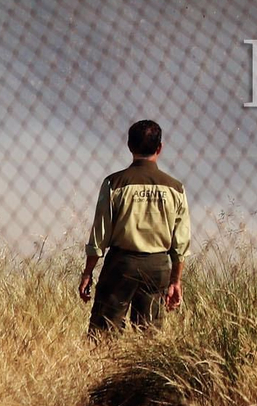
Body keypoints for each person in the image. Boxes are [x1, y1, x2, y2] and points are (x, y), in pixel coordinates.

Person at [79, 119, 191, 333]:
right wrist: (175, 281)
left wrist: (87, 273)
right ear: (160, 148)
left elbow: (100, 235)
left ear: (129, 146)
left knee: (104, 331)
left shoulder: (114, 183)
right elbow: (181, 242)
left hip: (121, 264)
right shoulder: (176, 188)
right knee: (149, 336)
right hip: (158, 266)